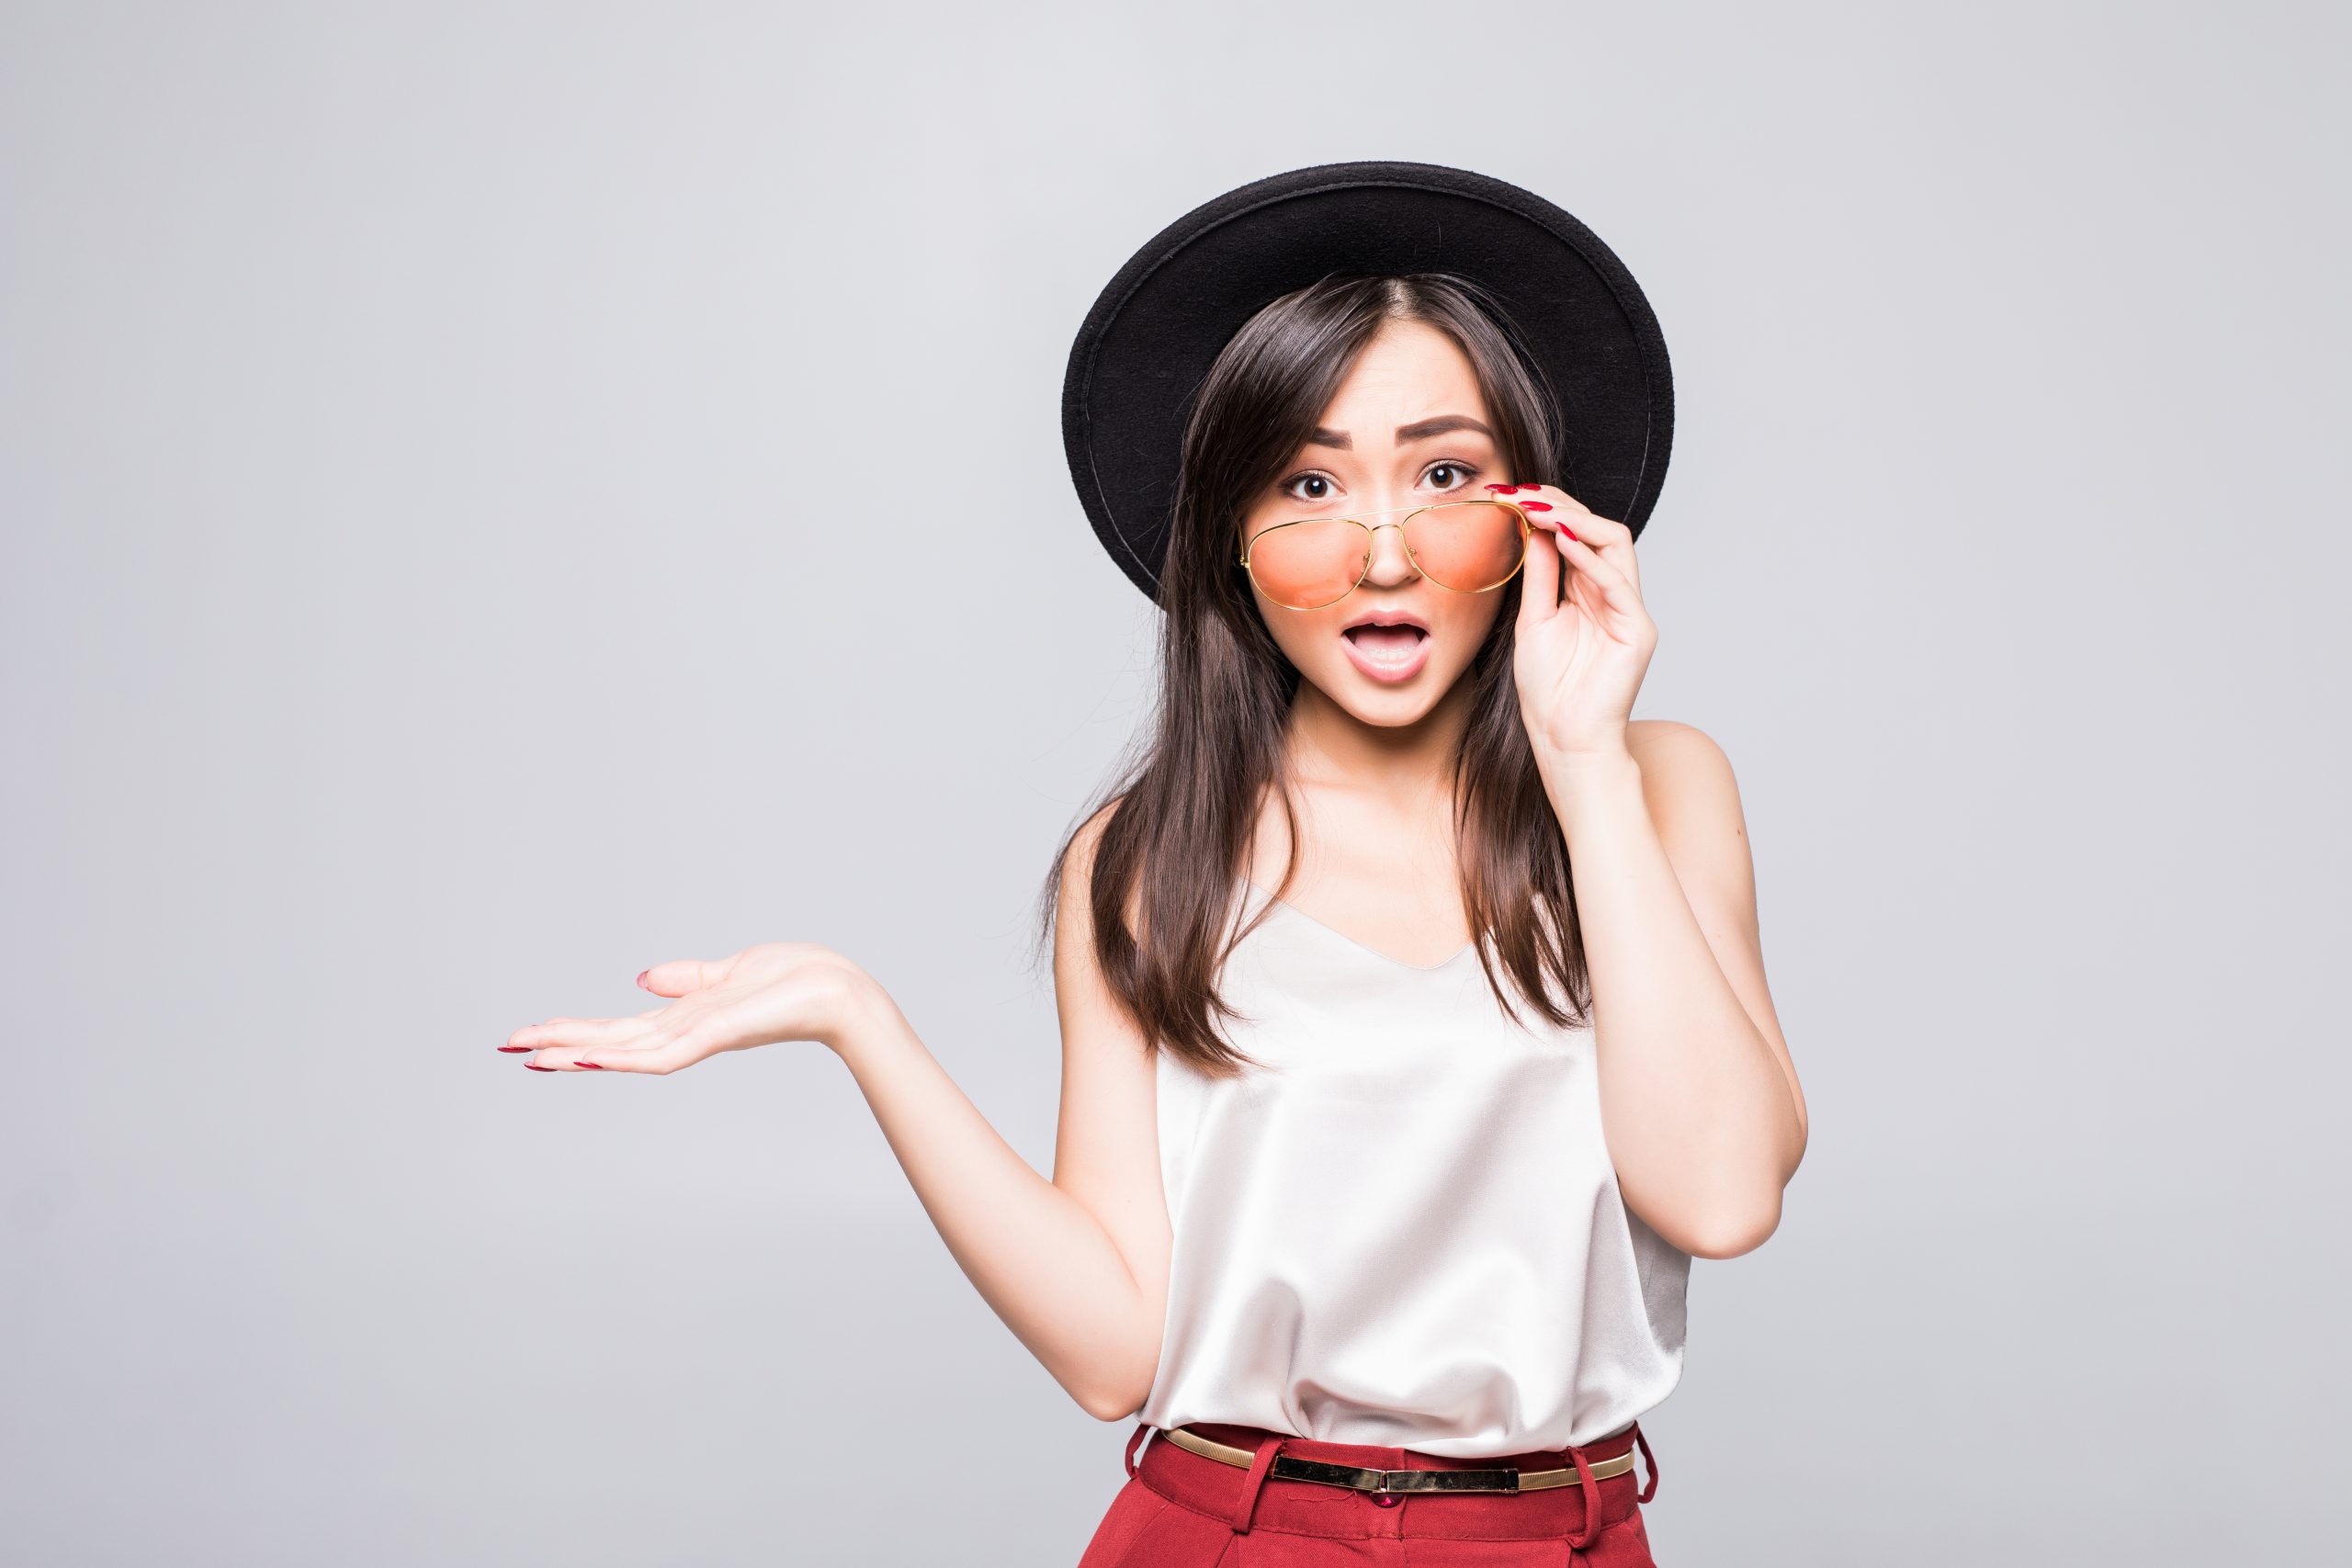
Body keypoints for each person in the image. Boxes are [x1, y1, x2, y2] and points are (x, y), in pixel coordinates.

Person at [500, 162, 1807, 1566]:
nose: (1380, 550)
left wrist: (1583, 759)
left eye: (1444, 475)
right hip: (1228, 1536)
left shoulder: (1655, 785)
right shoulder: (1143, 861)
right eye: (1310, 482)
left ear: (1533, 516)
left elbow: (1724, 1196)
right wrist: (856, 1021)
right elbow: (1114, 1351)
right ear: (1231, 539)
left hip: (1560, 1541)